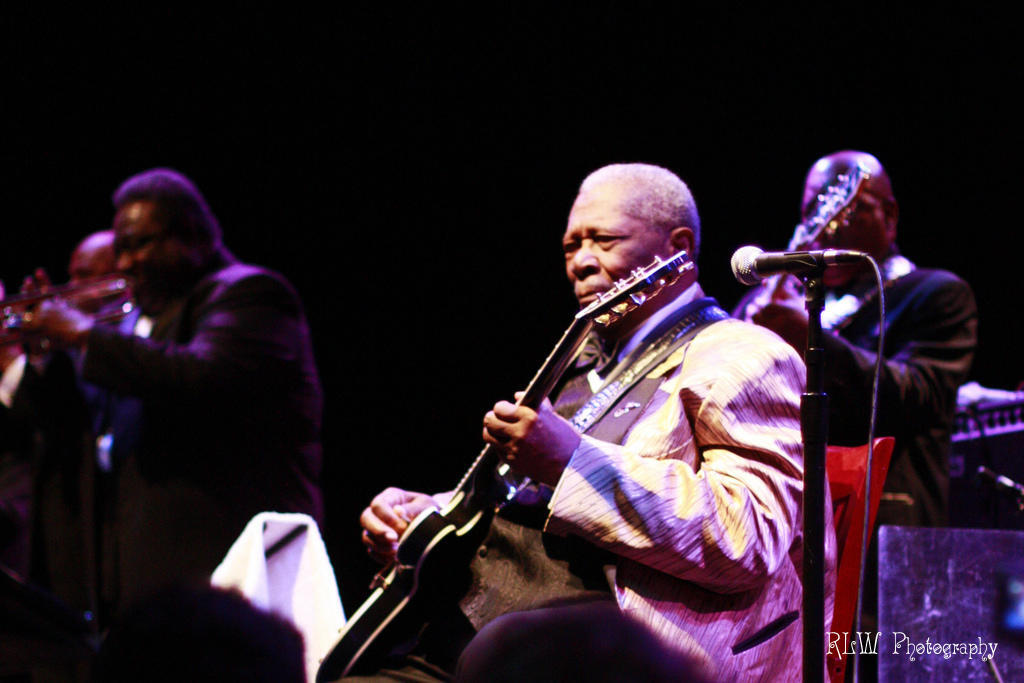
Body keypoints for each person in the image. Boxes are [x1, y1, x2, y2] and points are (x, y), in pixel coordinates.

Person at [354, 163, 835, 680]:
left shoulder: (742, 354)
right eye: (570, 246)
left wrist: (570, 461)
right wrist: (428, 515)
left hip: (600, 658)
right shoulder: (579, 361)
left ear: (678, 247)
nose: (581, 262)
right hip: (466, 638)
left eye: (604, 240)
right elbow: (519, 504)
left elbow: (747, 538)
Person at [20, 168, 325, 625]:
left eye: (139, 244)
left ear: (194, 236)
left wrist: (83, 334)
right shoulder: (145, 320)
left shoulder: (252, 295)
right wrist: (45, 354)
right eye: (121, 247)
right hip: (145, 587)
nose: (124, 263)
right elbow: (83, 425)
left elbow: (199, 376)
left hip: (230, 576)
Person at [735, 150, 978, 529]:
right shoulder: (771, 302)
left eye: (851, 209)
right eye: (817, 210)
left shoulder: (935, 293)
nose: (830, 225)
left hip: (881, 522)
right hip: (781, 512)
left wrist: (812, 338)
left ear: (891, 215)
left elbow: (921, 397)